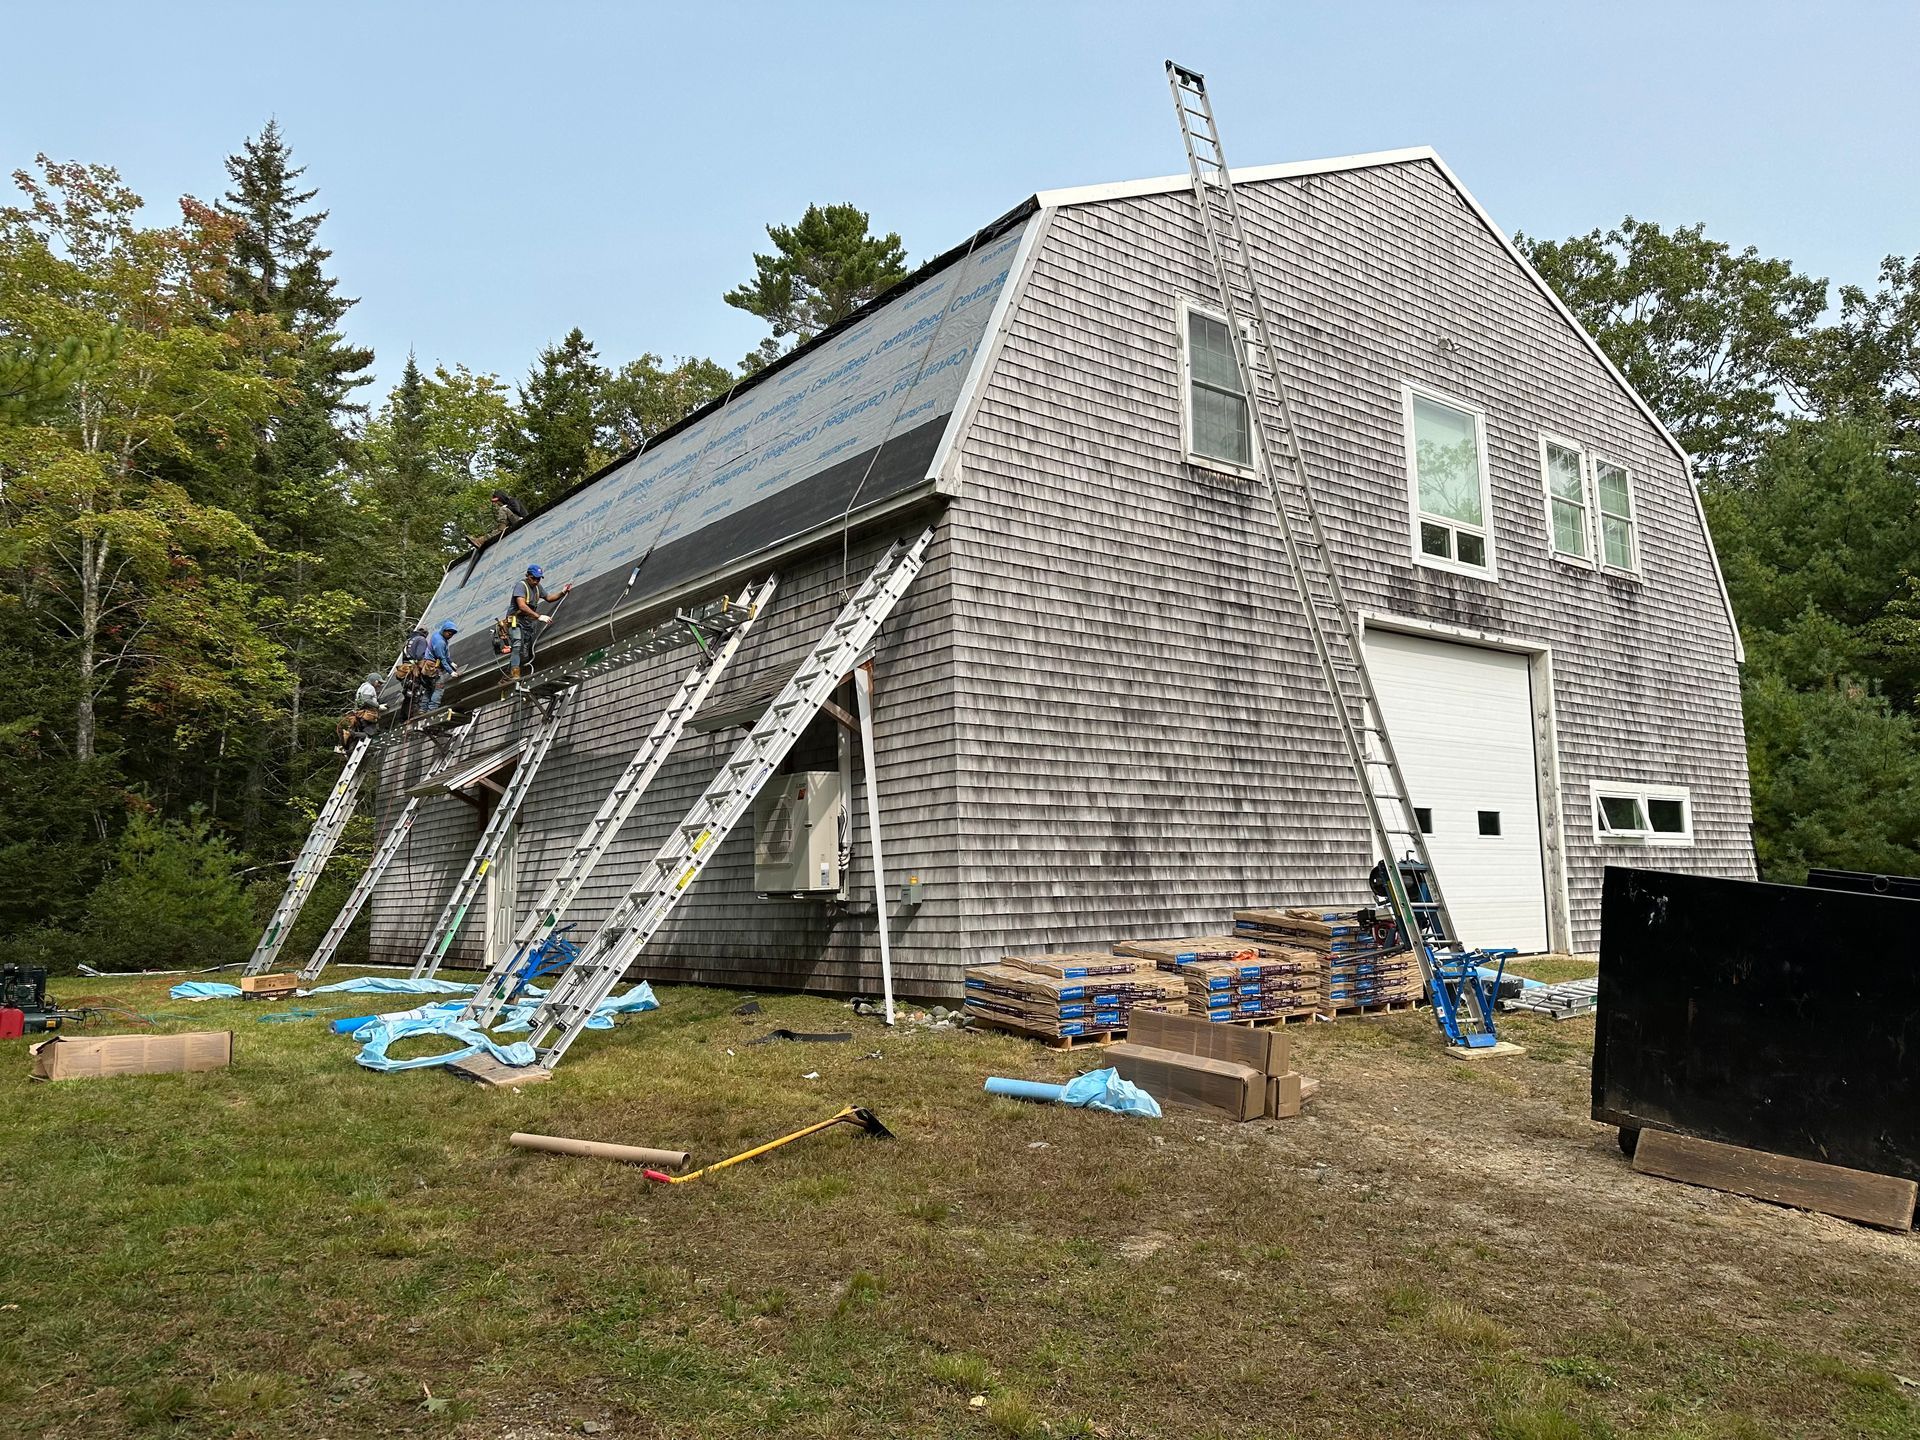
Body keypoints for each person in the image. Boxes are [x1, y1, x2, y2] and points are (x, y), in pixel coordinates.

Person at [507, 563, 571, 678]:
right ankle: (514, 674)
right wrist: (539, 616)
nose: (536, 581)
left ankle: (508, 673)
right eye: (534, 578)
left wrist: (562, 592)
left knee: (525, 654)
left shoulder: (537, 587)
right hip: (515, 621)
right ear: (528, 576)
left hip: (527, 623)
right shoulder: (521, 586)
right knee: (517, 644)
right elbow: (522, 606)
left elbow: (549, 598)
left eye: (538, 579)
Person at [397, 625, 435, 720]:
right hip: (413, 671)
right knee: (416, 693)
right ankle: (414, 715)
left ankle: (403, 717)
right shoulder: (421, 640)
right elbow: (420, 655)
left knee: (408, 694)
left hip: (405, 671)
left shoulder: (408, 641)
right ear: (425, 633)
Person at [426, 620, 461, 710]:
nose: (450, 635)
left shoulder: (439, 636)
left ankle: (423, 709)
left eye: (452, 634)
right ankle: (432, 709)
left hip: (429, 665)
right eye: (449, 633)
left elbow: (445, 655)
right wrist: (451, 672)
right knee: (439, 686)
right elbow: (442, 658)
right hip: (432, 666)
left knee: (429, 688)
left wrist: (451, 662)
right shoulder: (439, 642)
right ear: (444, 631)